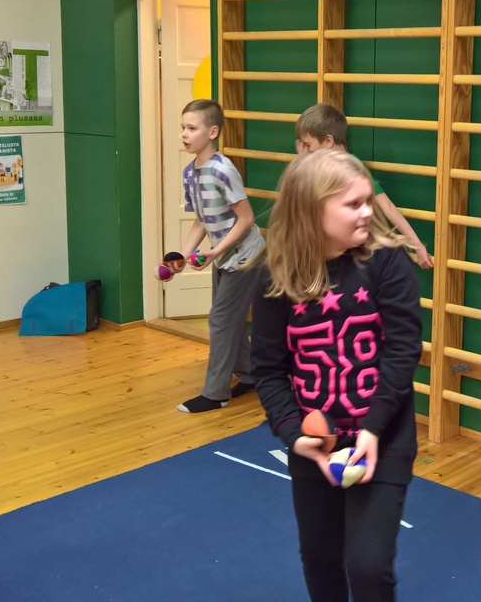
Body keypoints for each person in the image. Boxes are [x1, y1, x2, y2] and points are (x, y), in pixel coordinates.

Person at [251, 148, 423, 602]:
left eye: (368, 200)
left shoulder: (387, 262)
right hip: (316, 445)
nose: (368, 212)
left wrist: (373, 429)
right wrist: (294, 435)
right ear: (312, 210)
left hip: (382, 437)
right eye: (353, 204)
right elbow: (268, 370)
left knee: (368, 566)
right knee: (320, 559)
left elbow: (403, 350)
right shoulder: (275, 278)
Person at [175, 99, 266, 412]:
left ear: (212, 132)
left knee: (220, 320)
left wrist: (214, 251)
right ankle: (250, 374)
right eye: (183, 128)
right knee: (229, 318)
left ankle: (215, 394)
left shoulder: (223, 170)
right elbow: (202, 220)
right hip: (224, 255)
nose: (184, 134)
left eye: (192, 128)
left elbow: (246, 218)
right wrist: (181, 256)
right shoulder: (190, 173)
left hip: (245, 257)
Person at [295, 103, 433, 269]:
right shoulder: (317, 168)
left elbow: (387, 207)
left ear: (328, 141)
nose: (305, 151)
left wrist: (417, 246)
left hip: (351, 256)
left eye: (308, 145)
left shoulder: (353, 170)